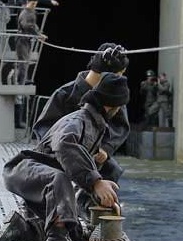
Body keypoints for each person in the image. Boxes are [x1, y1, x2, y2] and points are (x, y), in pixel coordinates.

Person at [0, 73, 129, 241]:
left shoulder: (92, 124)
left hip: (40, 177)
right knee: (60, 179)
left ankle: (21, 228)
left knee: (74, 231)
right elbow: (64, 145)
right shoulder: (79, 121)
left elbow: (77, 162)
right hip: (26, 169)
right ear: (112, 106)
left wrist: (98, 192)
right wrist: (96, 182)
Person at [32, 43, 130, 187]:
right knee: (58, 178)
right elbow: (43, 127)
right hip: (58, 154)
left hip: (95, 153)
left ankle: (94, 199)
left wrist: (105, 148)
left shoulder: (115, 99)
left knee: (112, 170)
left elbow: (120, 127)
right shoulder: (64, 94)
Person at [14, 0, 47, 86]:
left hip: (27, 39)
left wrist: (39, 34)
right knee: (23, 62)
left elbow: (33, 25)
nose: (34, 6)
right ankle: (21, 82)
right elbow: (26, 26)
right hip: (21, 40)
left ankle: (24, 79)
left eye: (35, 4)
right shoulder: (25, 13)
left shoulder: (31, 12)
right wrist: (38, 35)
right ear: (28, 2)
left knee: (26, 61)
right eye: (32, 4)